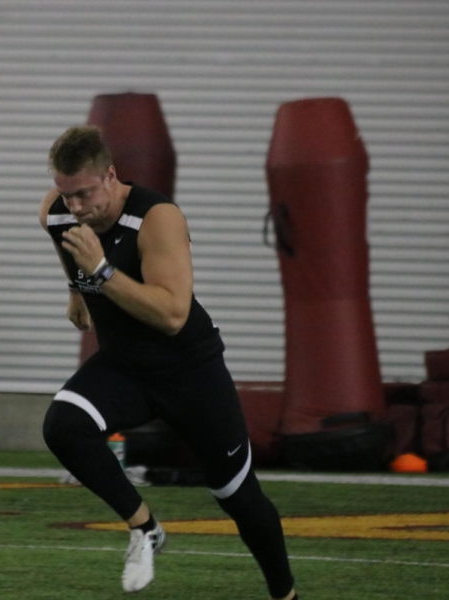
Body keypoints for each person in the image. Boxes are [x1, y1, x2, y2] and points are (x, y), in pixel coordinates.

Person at [39, 125, 297, 598]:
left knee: (239, 498)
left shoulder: (157, 218)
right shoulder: (57, 213)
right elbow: (66, 245)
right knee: (62, 426)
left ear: (111, 175)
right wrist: (76, 289)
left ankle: (285, 594)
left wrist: (100, 272)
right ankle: (146, 528)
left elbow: (173, 314)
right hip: (124, 367)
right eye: (66, 194)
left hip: (188, 372)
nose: (76, 207)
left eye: (85, 194)